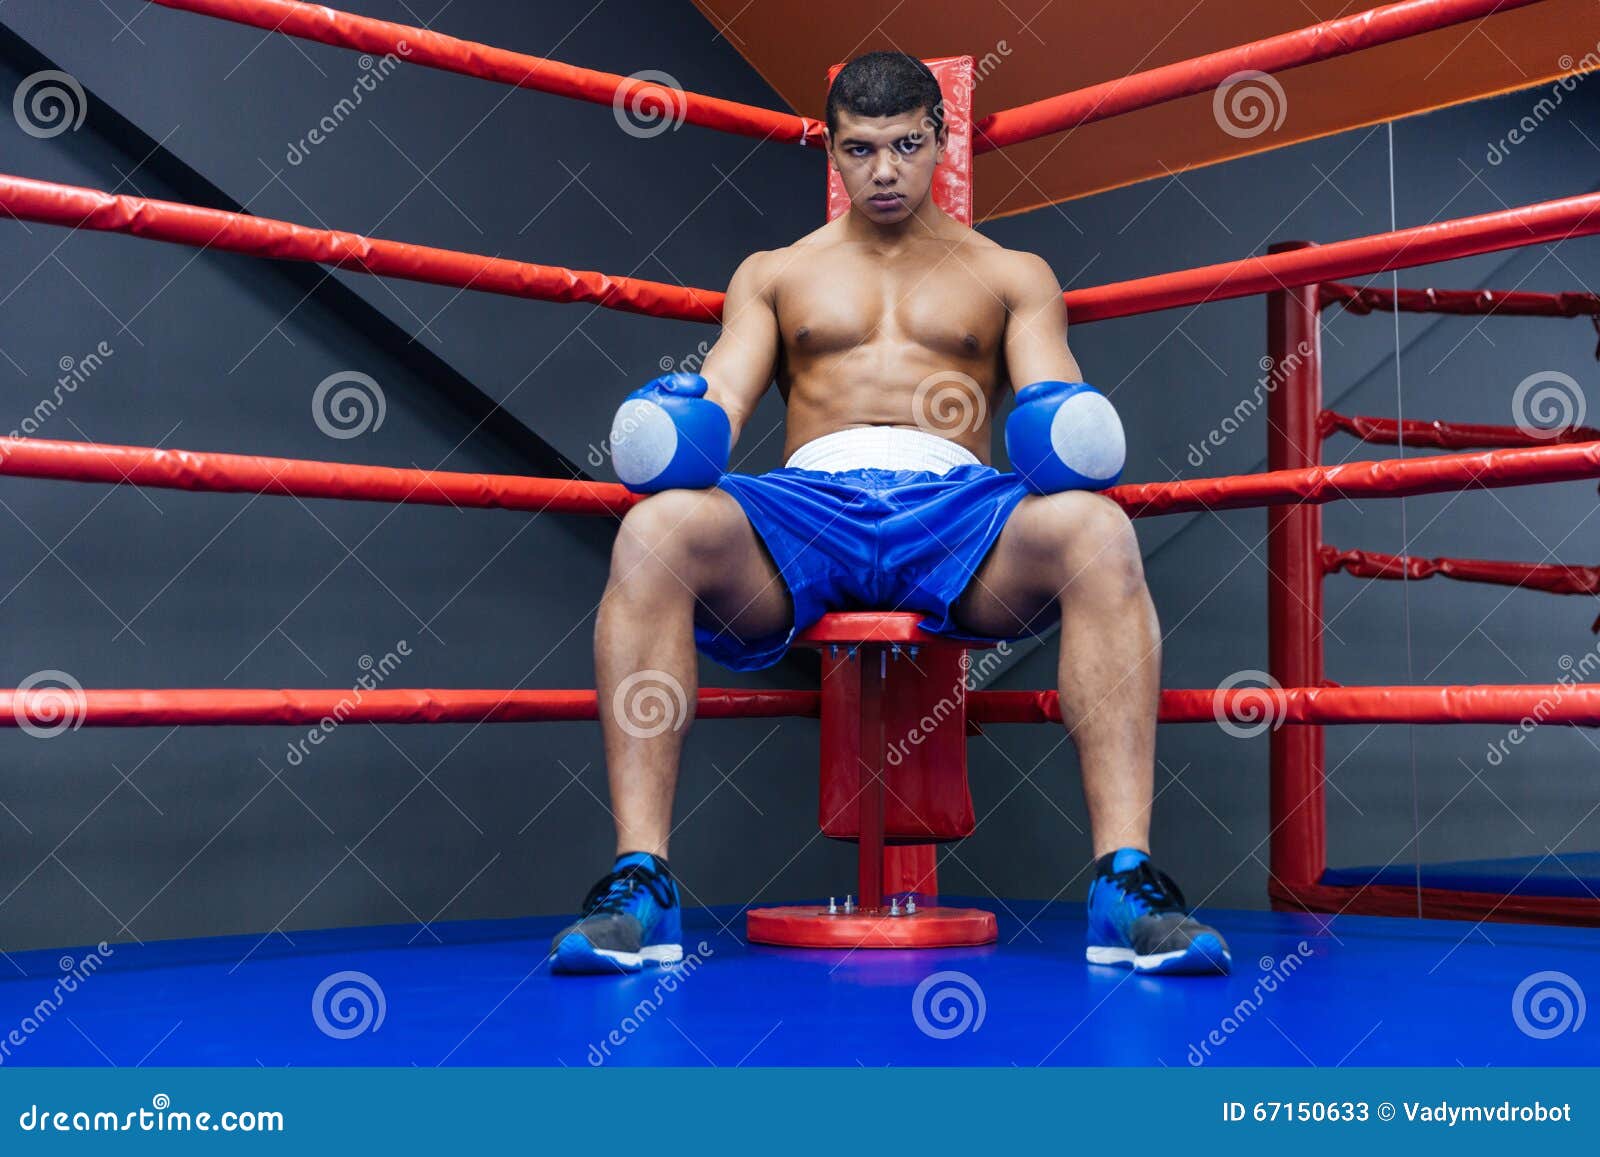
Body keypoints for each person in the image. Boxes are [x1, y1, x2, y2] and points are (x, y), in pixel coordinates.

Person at [549, 51, 1230, 977]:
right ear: (830, 149)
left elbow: (1056, 412)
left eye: (907, 146)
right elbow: (722, 407)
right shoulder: (776, 274)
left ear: (940, 141)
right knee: (654, 528)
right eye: (861, 149)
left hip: (957, 508)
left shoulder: (1010, 274)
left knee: (1096, 529)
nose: (884, 172)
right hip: (806, 509)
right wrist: (678, 422)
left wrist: (1064, 421)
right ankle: (642, 882)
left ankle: (1124, 883)